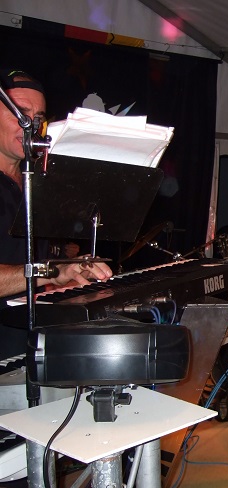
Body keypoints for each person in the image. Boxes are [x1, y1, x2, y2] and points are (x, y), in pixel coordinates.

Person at [0, 69, 113, 359]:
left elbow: (38, 265)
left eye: (37, 118)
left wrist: (70, 269)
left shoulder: (36, 183)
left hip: (28, 344)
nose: (31, 126)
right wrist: (50, 271)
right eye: (20, 114)